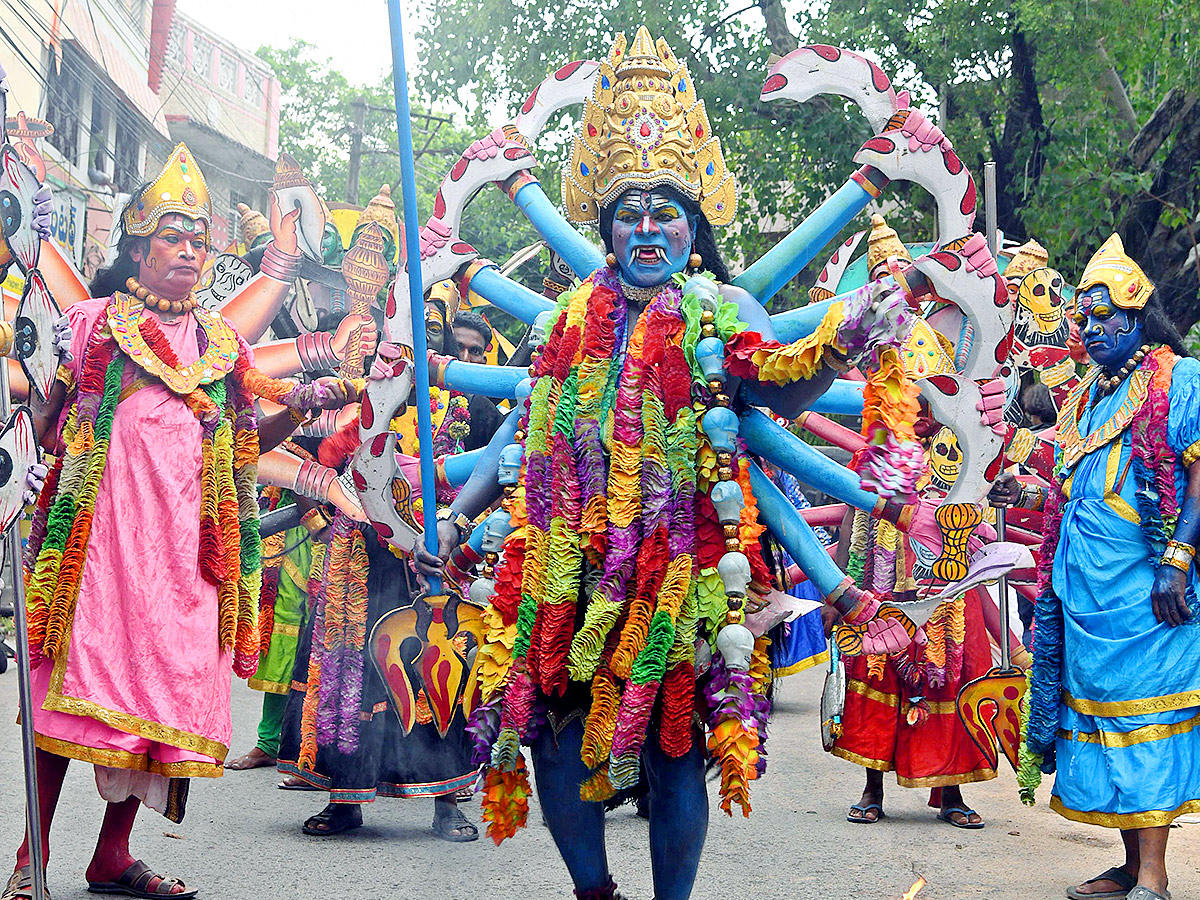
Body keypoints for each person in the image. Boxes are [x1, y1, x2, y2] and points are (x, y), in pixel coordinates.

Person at [414, 28, 925, 900]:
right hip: (563, 564)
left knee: (675, 745)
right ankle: (593, 891)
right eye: (629, 213)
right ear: (605, 226)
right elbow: (520, 434)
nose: (647, 230)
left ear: (694, 226)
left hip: (689, 566)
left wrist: (844, 339)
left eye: (666, 213)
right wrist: (458, 523)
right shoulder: (566, 319)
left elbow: (774, 382)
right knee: (553, 736)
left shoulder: (718, 307)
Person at [5, 144, 355, 900]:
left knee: (153, 718)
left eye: (200, 239)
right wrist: (32, 466)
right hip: (97, 560)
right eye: (173, 236)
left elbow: (239, 453)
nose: (189, 251)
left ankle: (112, 856)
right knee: (70, 706)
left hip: (186, 566)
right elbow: (41, 415)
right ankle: (29, 861)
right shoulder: (91, 326)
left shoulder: (223, 347)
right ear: (137, 245)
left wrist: (294, 408)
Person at [993, 234, 1200, 900]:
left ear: (1137, 312)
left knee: (1148, 724)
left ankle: (1157, 878)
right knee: (1103, 727)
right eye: (1082, 318)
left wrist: (1177, 561)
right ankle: (1129, 865)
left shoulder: (1177, 379)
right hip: (1082, 602)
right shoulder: (1086, 398)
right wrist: (1022, 491)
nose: (1089, 328)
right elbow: (1069, 487)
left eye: (1103, 315)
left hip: (1149, 599)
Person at [272, 291, 495, 842]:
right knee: (351, 675)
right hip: (355, 560)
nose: (390, 359)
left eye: (404, 347)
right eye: (381, 350)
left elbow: (486, 474)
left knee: (435, 672)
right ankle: (346, 800)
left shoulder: (455, 409)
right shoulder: (351, 411)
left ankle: (446, 803)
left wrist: (454, 527)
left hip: (428, 557)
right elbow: (306, 465)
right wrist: (327, 517)